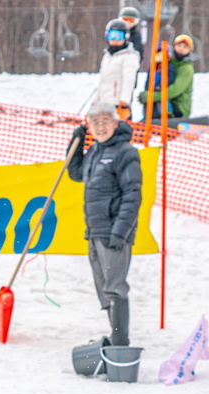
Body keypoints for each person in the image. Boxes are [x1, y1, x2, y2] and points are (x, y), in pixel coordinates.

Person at [67, 102, 143, 348]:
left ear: (115, 123)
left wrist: (121, 230)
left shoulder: (125, 152)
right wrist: (75, 144)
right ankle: (115, 335)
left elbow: (133, 194)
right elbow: (76, 173)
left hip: (114, 231)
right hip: (95, 230)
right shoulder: (95, 151)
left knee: (115, 287)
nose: (100, 126)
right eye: (95, 122)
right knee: (103, 286)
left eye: (104, 121)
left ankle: (120, 342)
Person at [139, 34, 194, 119]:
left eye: (185, 47)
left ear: (189, 50)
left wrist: (152, 96)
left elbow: (176, 89)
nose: (181, 49)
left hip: (178, 106)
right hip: (165, 100)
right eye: (179, 45)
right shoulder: (169, 62)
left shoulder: (186, 68)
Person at [94, 18, 140, 120]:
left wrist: (124, 103)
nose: (114, 39)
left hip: (117, 105)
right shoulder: (108, 56)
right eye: (112, 35)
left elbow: (129, 81)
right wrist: (95, 102)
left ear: (126, 37)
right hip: (104, 104)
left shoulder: (130, 56)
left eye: (118, 36)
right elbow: (103, 82)